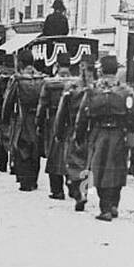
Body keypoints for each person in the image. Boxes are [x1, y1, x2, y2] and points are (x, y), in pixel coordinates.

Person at [73, 53, 134, 221]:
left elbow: (82, 116)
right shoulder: (126, 91)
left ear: (101, 70)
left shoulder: (92, 90)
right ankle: (114, 205)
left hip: (98, 134)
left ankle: (104, 208)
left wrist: (79, 135)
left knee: (98, 170)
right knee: (118, 170)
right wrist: (132, 131)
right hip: (120, 134)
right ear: (116, 70)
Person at [37, 51, 81, 199]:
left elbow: (42, 105)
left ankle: (57, 191)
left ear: (56, 65)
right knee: (72, 154)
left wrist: (39, 122)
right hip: (73, 121)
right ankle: (73, 187)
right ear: (70, 65)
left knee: (54, 154)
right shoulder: (77, 83)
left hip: (53, 121)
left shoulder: (49, 83)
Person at [4, 50, 46, 190]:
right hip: (39, 118)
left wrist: (5, 117)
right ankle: (33, 180)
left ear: (20, 63)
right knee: (35, 149)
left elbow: (8, 101)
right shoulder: (42, 78)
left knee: (22, 148)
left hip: (22, 117)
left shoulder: (17, 79)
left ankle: (25, 182)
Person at [59, 57, 98, 211]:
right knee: (87, 165)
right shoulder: (98, 88)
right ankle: (84, 192)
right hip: (92, 131)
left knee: (73, 163)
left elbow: (62, 112)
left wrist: (58, 131)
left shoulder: (71, 87)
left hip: (73, 129)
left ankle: (77, 193)